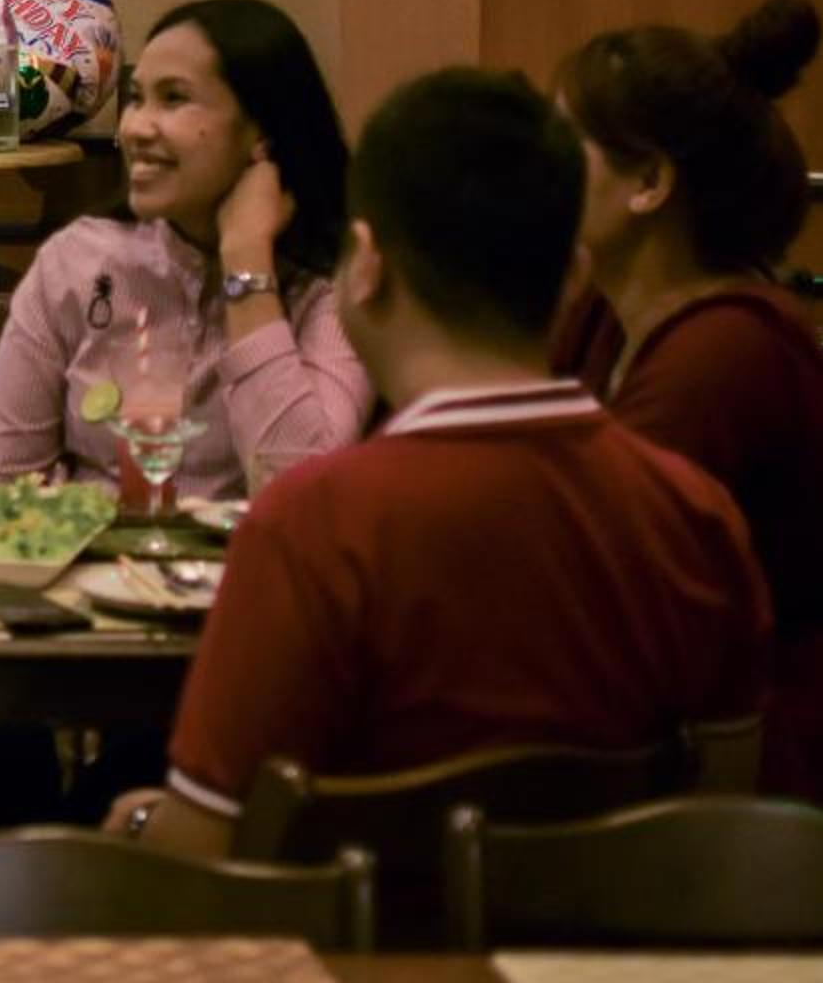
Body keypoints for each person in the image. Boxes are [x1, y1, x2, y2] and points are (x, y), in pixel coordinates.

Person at [113, 67, 770, 858]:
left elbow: (200, 856)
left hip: (360, 936)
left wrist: (143, 824)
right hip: (615, 937)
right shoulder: (696, 513)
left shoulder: (311, 526)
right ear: (574, 278)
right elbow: (720, 823)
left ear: (366, 265)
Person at [551, 0, 823, 802]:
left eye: (562, 145)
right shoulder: (602, 312)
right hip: (652, 730)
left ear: (648, 181)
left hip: (763, 785)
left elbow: (589, 563)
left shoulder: (727, 353)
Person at [0, 0, 366, 499]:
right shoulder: (79, 262)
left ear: (262, 130)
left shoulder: (334, 287)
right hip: (88, 548)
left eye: (174, 98)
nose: (135, 128)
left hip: (249, 552)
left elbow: (302, 498)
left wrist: (246, 264)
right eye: (137, 98)